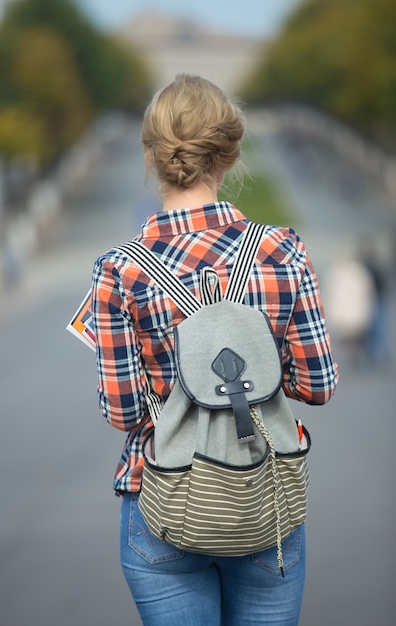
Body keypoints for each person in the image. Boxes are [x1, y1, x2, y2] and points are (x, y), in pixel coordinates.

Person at [91, 74, 339, 626]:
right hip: (263, 493)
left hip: (163, 496)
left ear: (151, 155)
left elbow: (124, 412)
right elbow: (318, 386)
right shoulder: (283, 252)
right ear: (230, 154)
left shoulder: (118, 270)